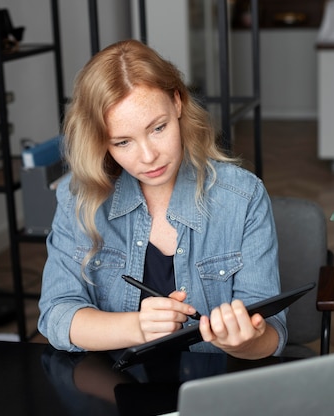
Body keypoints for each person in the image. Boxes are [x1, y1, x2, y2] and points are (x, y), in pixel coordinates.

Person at [38, 39, 286, 360]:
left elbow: (272, 335)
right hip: (112, 390)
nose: (148, 157)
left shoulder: (243, 197)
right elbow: (56, 315)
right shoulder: (79, 196)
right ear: (102, 141)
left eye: (158, 128)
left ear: (178, 103)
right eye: (123, 141)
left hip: (210, 393)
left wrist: (242, 342)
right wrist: (138, 327)